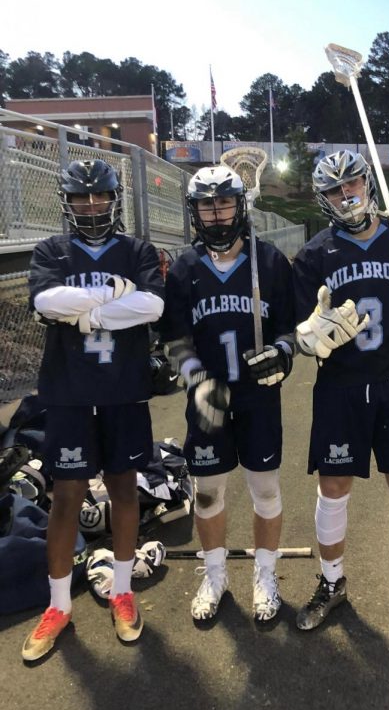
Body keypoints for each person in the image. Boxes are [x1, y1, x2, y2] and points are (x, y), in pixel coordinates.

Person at [293, 149, 389, 645]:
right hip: (340, 387)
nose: (348, 194)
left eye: (354, 182)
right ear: (324, 198)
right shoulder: (316, 254)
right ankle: (332, 580)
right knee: (333, 490)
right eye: (337, 189)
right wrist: (312, 333)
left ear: (368, 181)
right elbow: (299, 334)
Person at [23, 159, 165, 662]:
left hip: (123, 389)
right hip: (68, 392)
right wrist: (114, 296)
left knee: (125, 488)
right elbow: (45, 301)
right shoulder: (51, 250)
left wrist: (88, 313)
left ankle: (122, 591)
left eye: (100, 197)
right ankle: (59, 605)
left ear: (113, 199)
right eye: (82, 198)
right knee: (66, 497)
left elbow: (152, 307)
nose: (91, 205)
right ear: (67, 202)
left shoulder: (137, 250)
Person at [160, 165, 295, 625]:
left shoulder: (270, 261)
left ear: (240, 205)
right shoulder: (184, 269)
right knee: (208, 493)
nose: (216, 215)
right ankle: (214, 574)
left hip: (258, 395)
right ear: (195, 211)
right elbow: (174, 341)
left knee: (265, 488)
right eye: (206, 205)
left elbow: (290, 329)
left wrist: (281, 353)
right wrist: (196, 379)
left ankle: (265, 574)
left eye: (223, 204)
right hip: (207, 399)